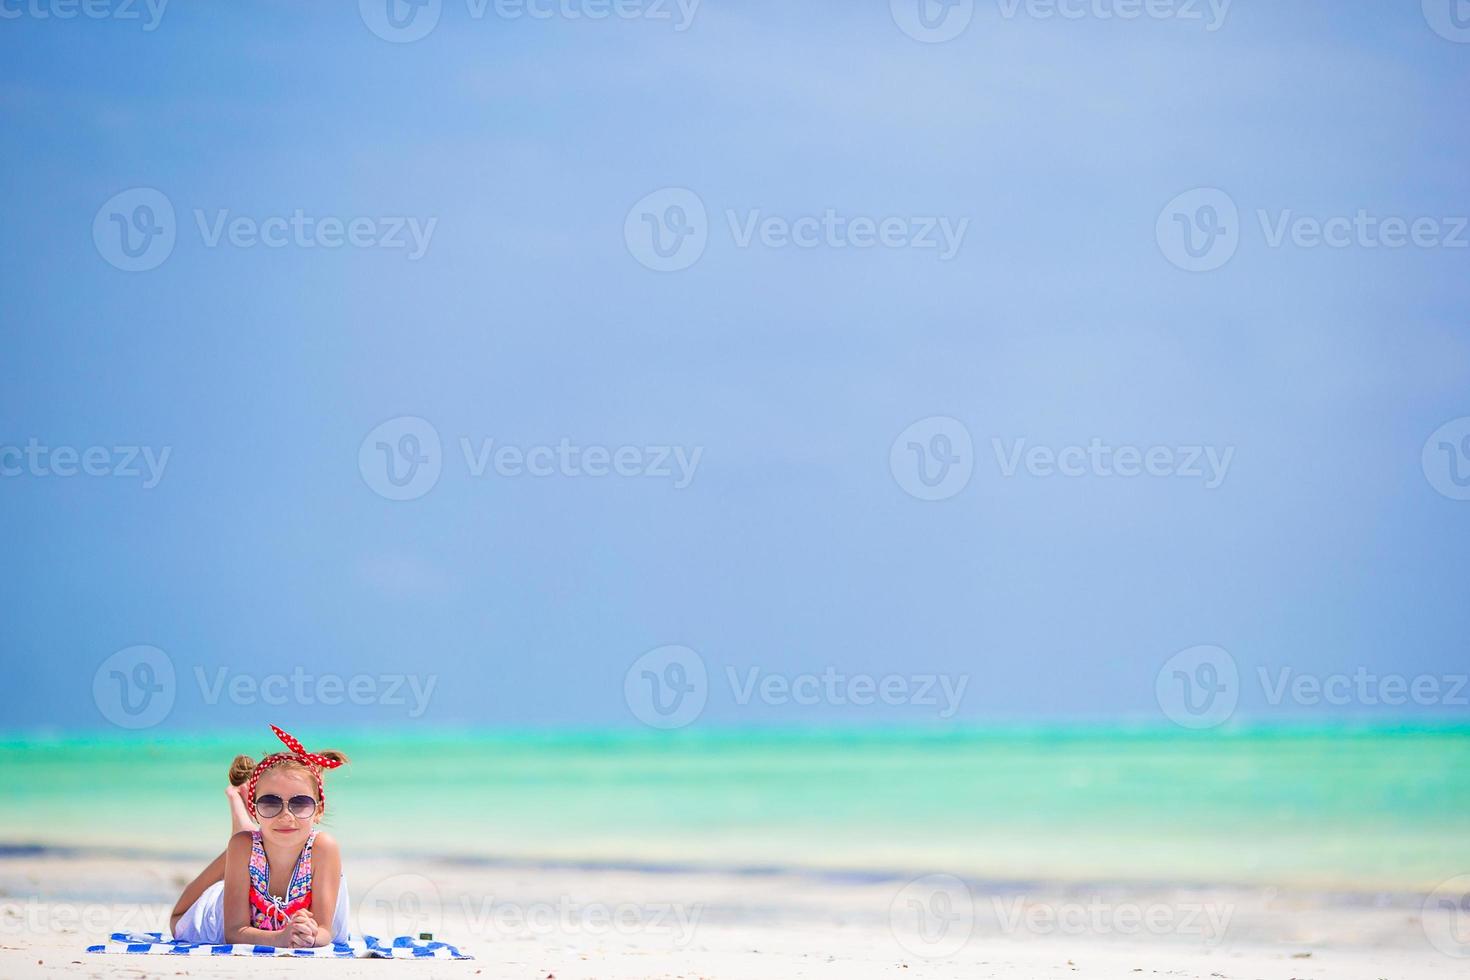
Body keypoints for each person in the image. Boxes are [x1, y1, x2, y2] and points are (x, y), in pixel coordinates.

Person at [169, 725, 350, 947]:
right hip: (227, 894)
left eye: (300, 803)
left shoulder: (324, 847)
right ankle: (242, 816)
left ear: (319, 810)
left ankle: (245, 821)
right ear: (254, 808)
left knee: (245, 842)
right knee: (178, 924)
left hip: (255, 843)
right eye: (270, 803)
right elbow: (233, 933)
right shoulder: (243, 847)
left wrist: (311, 935)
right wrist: (281, 938)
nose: (286, 815)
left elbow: (325, 931)